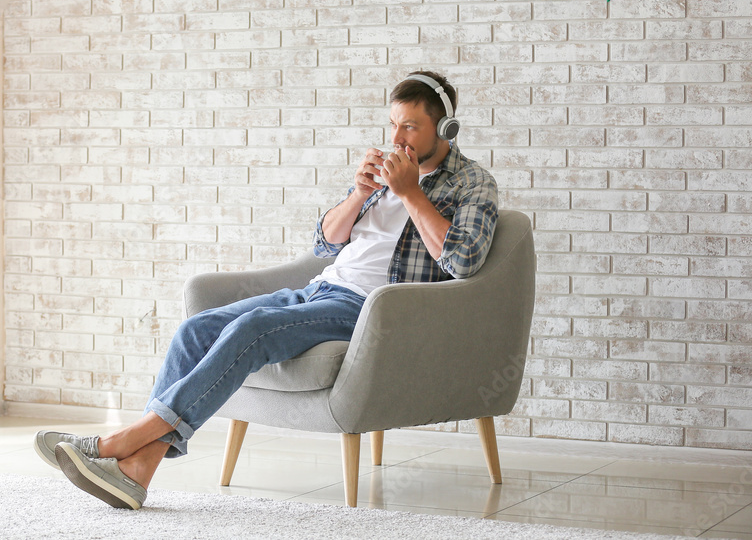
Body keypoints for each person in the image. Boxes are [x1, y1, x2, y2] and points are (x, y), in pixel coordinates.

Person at [33, 70, 499, 510]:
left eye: (411, 128)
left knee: (253, 329)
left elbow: (463, 261)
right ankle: (136, 472)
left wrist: (412, 193)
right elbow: (325, 243)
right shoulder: (382, 177)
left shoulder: (472, 184)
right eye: (393, 125)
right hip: (320, 289)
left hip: (375, 309)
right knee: (195, 331)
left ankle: (119, 444)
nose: (396, 139)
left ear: (447, 129)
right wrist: (359, 194)